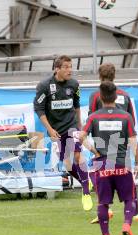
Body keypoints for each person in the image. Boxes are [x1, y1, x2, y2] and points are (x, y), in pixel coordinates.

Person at [80, 81, 138, 235]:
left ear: (100, 97)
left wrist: (94, 151)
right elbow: (134, 142)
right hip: (122, 164)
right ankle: (127, 225)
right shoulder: (125, 117)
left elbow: (81, 137)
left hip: (102, 165)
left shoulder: (93, 117)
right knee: (129, 199)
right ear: (116, 96)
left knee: (103, 203)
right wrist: (137, 163)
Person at [33, 55, 92, 210]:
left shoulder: (74, 84)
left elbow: (77, 105)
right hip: (56, 130)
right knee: (67, 163)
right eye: (65, 67)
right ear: (57, 69)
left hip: (72, 126)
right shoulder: (44, 86)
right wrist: (50, 129)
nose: (69, 70)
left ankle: (86, 192)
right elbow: (38, 109)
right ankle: (86, 180)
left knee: (78, 155)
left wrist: (80, 125)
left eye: (70, 66)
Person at [88, 63, 138, 224]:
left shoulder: (96, 95)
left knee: (98, 175)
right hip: (122, 140)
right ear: (114, 76)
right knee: (125, 175)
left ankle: (105, 209)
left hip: (103, 141)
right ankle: (136, 212)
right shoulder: (125, 95)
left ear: (99, 77)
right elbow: (131, 118)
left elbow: (92, 116)